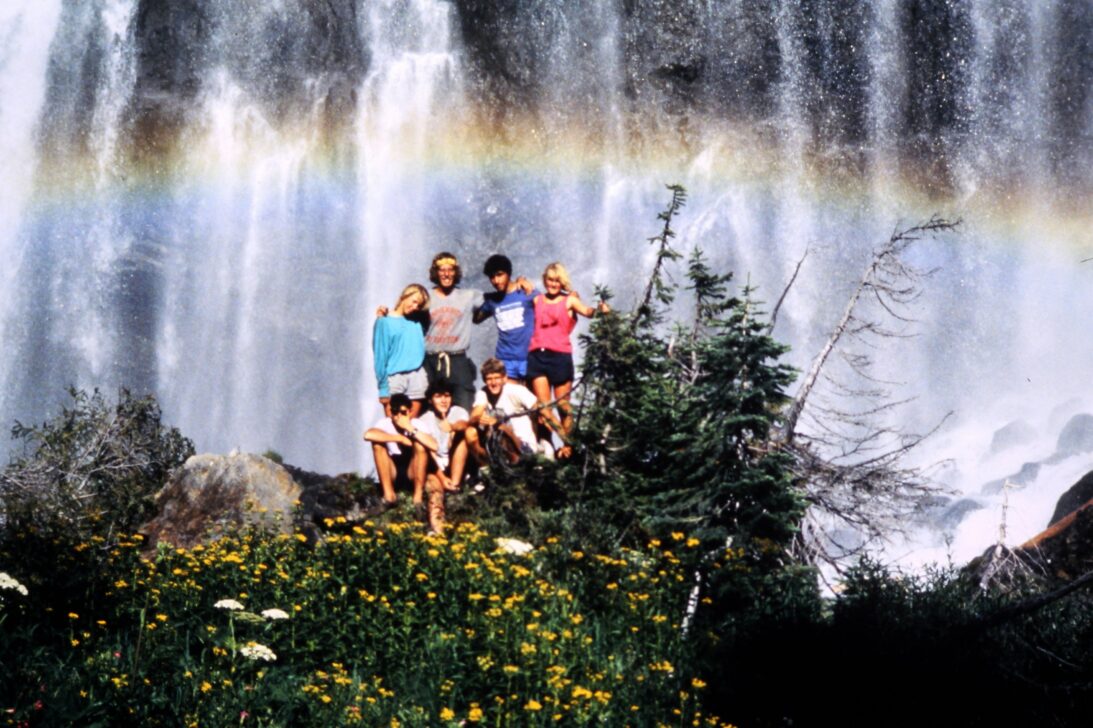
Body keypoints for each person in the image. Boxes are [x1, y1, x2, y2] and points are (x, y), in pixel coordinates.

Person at [526, 262, 609, 455]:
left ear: (562, 282)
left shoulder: (569, 301)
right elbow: (519, 291)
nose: (553, 284)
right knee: (544, 408)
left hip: (560, 356)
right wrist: (521, 280)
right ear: (544, 279)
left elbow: (588, 312)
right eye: (549, 280)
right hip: (537, 356)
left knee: (563, 405)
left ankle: (567, 448)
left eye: (557, 280)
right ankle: (567, 442)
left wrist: (601, 310)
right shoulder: (538, 300)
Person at [363, 393, 439, 515]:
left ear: (409, 412)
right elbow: (368, 435)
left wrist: (409, 429)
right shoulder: (385, 423)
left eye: (403, 412)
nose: (398, 416)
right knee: (377, 444)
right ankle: (389, 496)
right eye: (395, 412)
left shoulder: (417, 424)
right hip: (394, 469)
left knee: (420, 446)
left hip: (413, 469)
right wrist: (399, 438)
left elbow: (434, 446)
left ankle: (417, 498)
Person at [474, 254, 538, 384]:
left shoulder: (527, 292)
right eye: (492, 277)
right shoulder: (492, 301)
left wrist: (571, 296)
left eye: (499, 275)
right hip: (505, 359)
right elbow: (475, 319)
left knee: (534, 402)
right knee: (509, 402)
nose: (496, 281)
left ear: (509, 273)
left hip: (530, 357)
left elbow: (551, 307)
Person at [468, 357, 542, 464]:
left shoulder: (517, 391)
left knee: (500, 429)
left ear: (505, 378)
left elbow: (541, 409)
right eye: (489, 379)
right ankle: (487, 468)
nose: (493, 383)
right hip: (498, 446)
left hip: (523, 446)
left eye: (497, 378)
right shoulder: (483, 393)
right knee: (470, 432)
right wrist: (478, 418)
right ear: (484, 380)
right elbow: (475, 414)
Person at [373, 284, 429, 419]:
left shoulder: (417, 321)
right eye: (414, 301)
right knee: (393, 425)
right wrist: (383, 388)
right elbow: (380, 358)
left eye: (419, 305)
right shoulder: (384, 322)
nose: (415, 307)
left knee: (412, 426)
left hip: (417, 377)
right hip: (394, 379)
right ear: (405, 295)